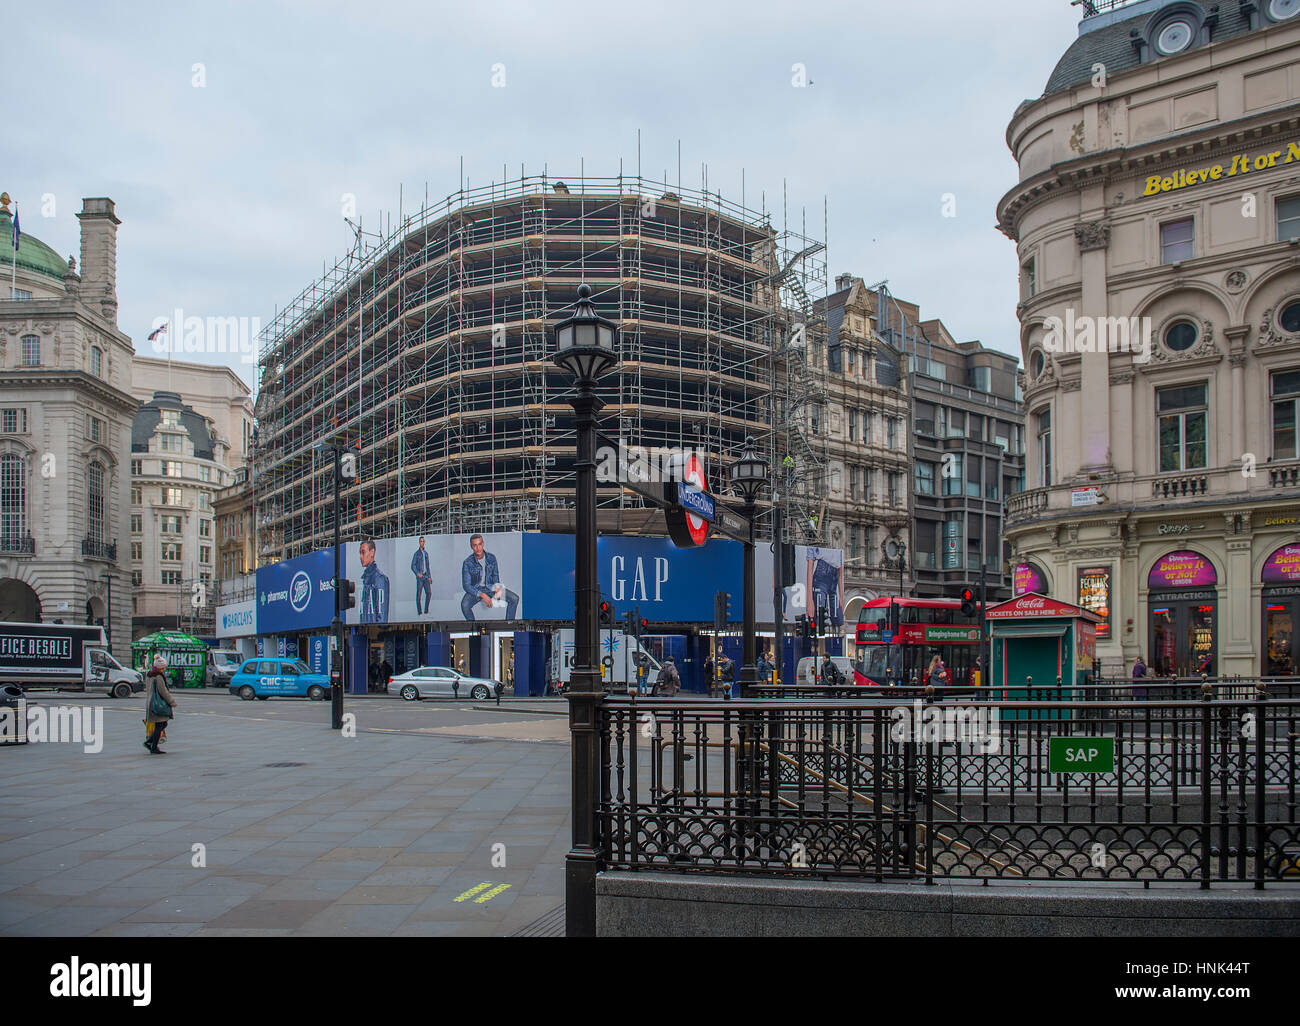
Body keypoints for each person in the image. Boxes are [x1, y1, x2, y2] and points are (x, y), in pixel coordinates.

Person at [460, 534, 520, 620]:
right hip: (477, 589)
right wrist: (482, 595)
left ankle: (509, 624)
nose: (478, 548)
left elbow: (495, 576)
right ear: (471, 547)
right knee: (464, 605)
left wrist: (498, 588)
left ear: (483, 544)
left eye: (480, 544)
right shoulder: (467, 562)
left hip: (491, 587)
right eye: (475, 545)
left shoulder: (491, 558)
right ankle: (473, 627)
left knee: (514, 598)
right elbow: (466, 585)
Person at [143, 654, 177, 755]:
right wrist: (172, 702)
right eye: (163, 667)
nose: (164, 669)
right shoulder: (158, 676)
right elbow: (163, 691)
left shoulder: (149, 674)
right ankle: (152, 745)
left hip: (150, 702)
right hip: (157, 704)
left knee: (161, 724)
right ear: (160, 667)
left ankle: (151, 743)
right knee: (160, 725)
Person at [358, 539, 390, 624]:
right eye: (360, 553)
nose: (361, 557)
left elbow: (382, 615)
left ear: (372, 552)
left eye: (363, 552)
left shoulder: (379, 578)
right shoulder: (366, 578)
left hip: (374, 632)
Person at [410, 536, 432, 616]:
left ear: (424, 542)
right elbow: (413, 565)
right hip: (420, 577)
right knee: (419, 594)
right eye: (421, 541)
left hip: (426, 576)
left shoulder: (426, 554)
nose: (422, 542)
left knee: (429, 593)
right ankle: (419, 612)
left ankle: (426, 611)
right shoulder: (416, 554)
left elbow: (427, 566)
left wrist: (429, 577)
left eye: (423, 541)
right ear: (419, 543)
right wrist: (417, 573)